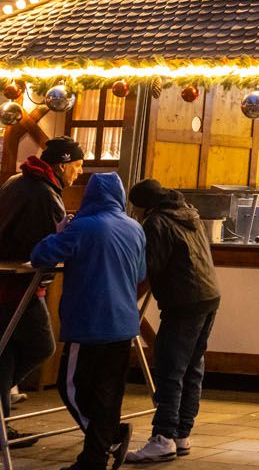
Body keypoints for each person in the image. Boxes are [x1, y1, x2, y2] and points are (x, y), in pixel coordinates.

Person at [31, 173, 146, 470]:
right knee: (108, 390)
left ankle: (101, 447)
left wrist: (59, 230)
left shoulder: (82, 227)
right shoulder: (135, 228)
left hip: (89, 321)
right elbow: (141, 272)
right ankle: (101, 447)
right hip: (124, 323)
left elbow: (42, 255)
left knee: (72, 388)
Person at [125, 180, 221, 462]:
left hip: (183, 301)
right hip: (208, 295)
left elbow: (149, 267)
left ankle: (163, 436)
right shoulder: (188, 212)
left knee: (170, 368)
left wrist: (126, 295)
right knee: (192, 367)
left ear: (143, 206)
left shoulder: (156, 223)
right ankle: (181, 433)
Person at [0, 137, 83, 442]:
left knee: (6, 351)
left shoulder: (16, 182)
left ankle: (1, 421)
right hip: (20, 285)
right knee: (41, 345)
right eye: (77, 166)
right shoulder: (43, 193)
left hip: (9, 283)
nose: (78, 173)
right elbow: (43, 245)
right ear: (62, 165)